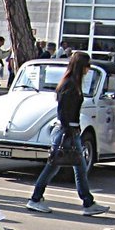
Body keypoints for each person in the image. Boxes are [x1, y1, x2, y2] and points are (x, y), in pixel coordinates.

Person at [26, 51, 109, 217]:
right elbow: (64, 111)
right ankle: (37, 199)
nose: (88, 69)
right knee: (57, 166)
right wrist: (70, 130)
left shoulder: (71, 83)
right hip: (67, 130)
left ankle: (87, 201)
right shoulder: (70, 85)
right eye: (87, 65)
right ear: (81, 66)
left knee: (68, 166)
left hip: (69, 130)